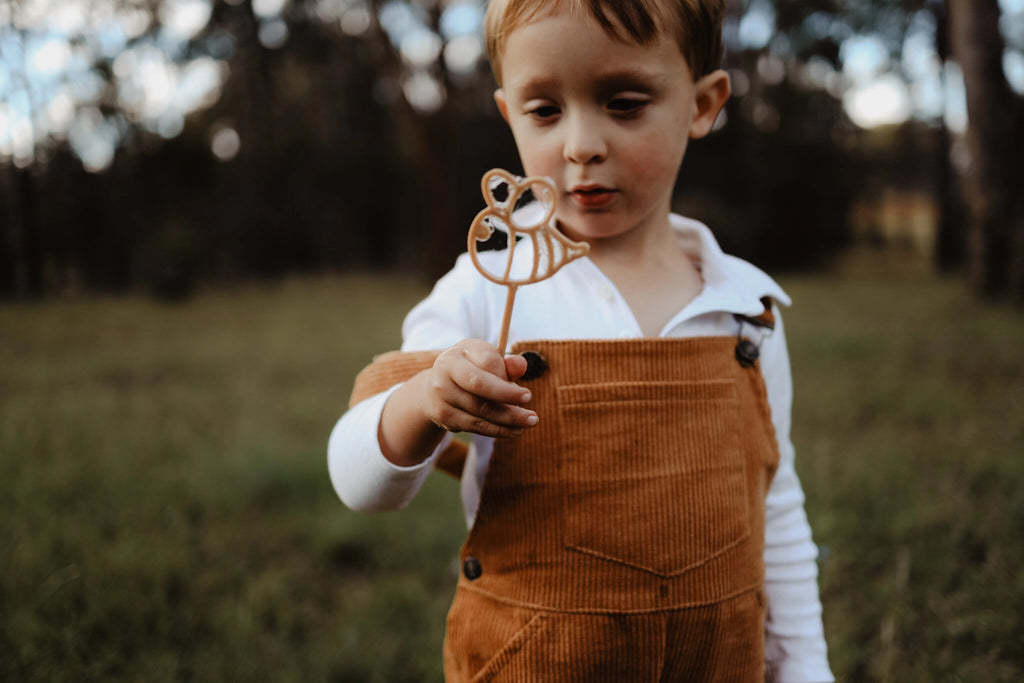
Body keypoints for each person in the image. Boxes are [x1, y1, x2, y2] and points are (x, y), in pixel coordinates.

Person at [328, 0, 834, 680]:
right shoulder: (486, 291)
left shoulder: (745, 309)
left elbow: (776, 504)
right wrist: (423, 400)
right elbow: (359, 483)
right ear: (509, 115)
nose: (580, 145)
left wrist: (805, 668)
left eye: (624, 104)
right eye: (545, 111)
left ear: (702, 105)